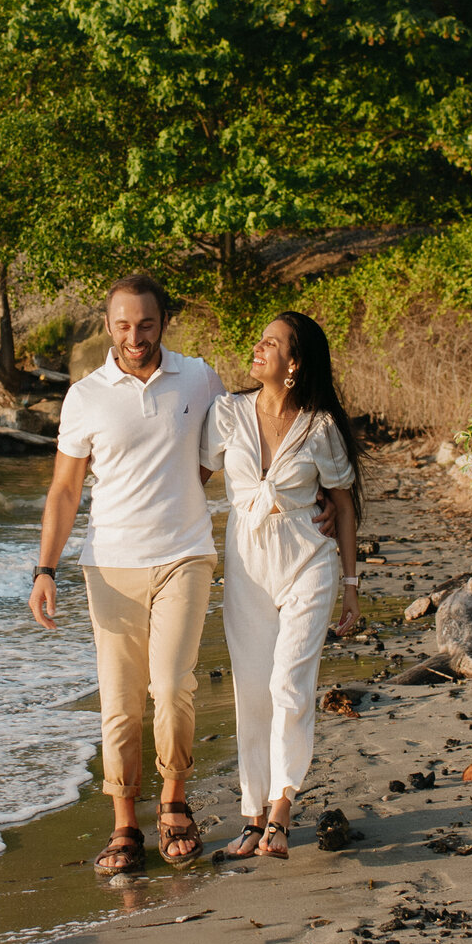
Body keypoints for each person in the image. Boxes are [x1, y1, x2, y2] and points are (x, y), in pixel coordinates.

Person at [27, 273, 226, 875]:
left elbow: (229, 448)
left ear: (163, 321)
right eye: (122, 325)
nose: (134, 336)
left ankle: (174, 804)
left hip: (185, 555)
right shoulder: (86, 396)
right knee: (119, 702)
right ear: (107, 325)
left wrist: (317, 494)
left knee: (171, 687)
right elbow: (65, 490)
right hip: (109, 564)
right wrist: (44, 569)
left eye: (145, 324)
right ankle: (123, 827)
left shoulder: (198, 377)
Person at [201, 311, 362, 859]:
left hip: (307, 563)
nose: (257, 346)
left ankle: (283, 808)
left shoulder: (320, 429)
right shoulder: (226, 413)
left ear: (293, 363)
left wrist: (352, 584)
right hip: (245, 567)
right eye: (259, 337)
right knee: (251, 691)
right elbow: (191, 476)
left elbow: (341, 504)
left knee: (289, 685)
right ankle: (252, 814)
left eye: (270, 343)